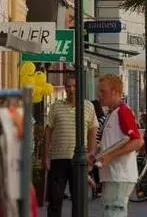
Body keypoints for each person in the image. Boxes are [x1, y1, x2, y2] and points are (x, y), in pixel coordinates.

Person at [45, 75, 97, 217]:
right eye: (68, 86)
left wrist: (91, 156)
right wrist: (46, 157)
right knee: (55, 200)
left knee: (78, 200)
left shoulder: (88, 106)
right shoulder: (56, 106)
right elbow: (48, 132)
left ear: (80, 88)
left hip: (79, 161)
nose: (71, 89)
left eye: (74, 86)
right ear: (65, 88)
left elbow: (93, 133)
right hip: (58, 158)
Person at [94, 74, 144, 217]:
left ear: (115, 91)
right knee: (111, 211)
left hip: (119, 175)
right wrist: (97, 154)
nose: (100, 94)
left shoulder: (122, 111)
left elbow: (138, 141)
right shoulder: (114, 112)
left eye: (103, 91)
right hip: (114, 175)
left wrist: (110, 155)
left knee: (112, 212)